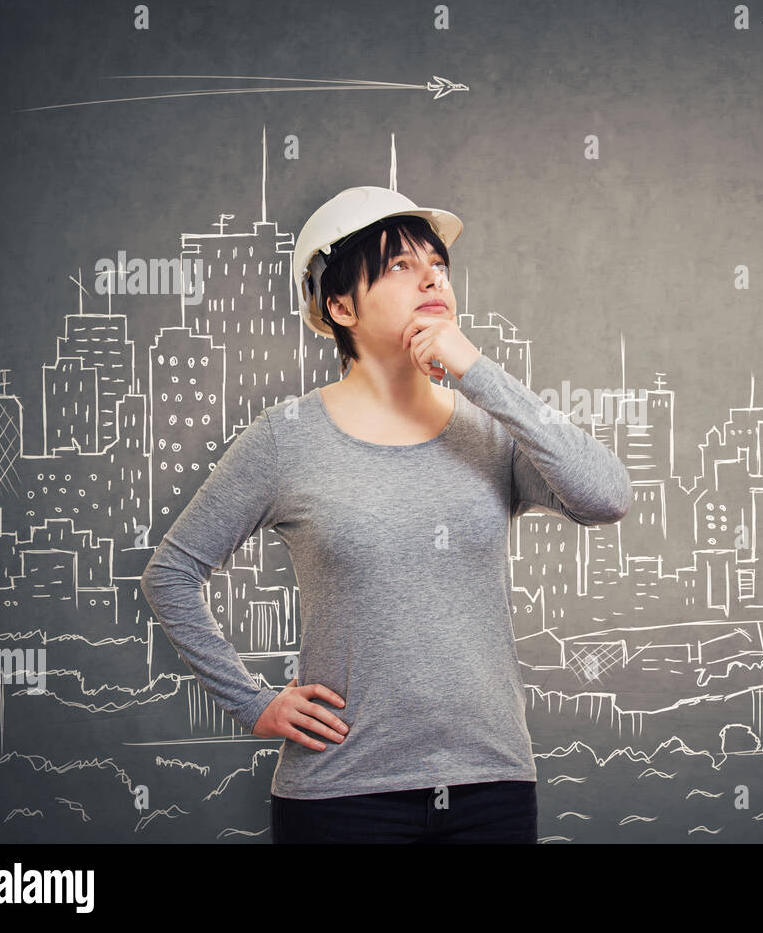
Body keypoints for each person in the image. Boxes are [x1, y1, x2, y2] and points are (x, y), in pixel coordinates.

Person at [141, 186, 632, 843]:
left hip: (493, 787)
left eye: (437, 264)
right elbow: (170, 572)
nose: (431, 275)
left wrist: (476, 371)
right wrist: (252, 703)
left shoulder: (490, 432)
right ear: (338, 305)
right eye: (400, 265)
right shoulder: (285, 439)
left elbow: (607, 496)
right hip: (342, 798)